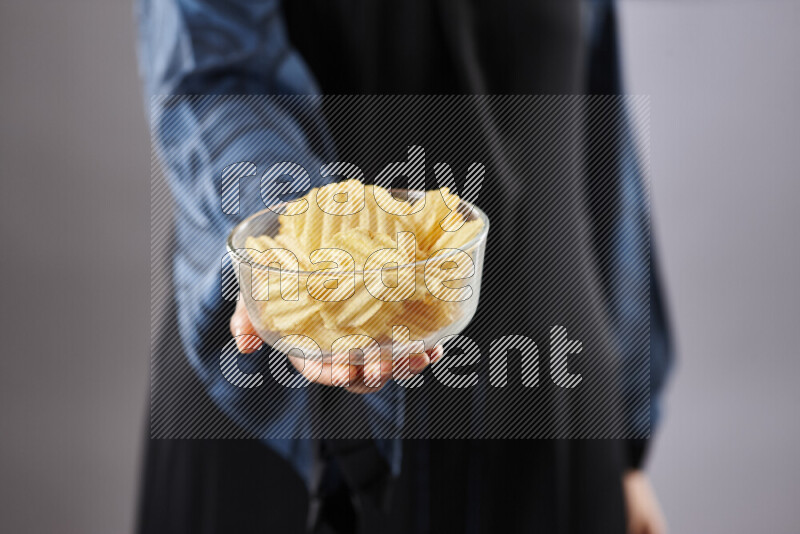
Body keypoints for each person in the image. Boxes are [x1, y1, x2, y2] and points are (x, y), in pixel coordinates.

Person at [137, 1, 672, 533]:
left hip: (550, 414)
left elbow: (598, 120)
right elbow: (211, 70)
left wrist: (626, 440)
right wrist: (306, 254)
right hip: (287, 401)